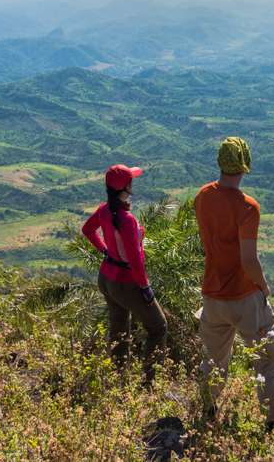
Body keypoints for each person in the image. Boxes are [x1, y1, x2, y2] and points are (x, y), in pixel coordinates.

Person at [194, 137, 274, 433]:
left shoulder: (202, 197)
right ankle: (272, 419)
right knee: (269, 357)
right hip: (245, 296)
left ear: (220, 162)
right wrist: (264, 287)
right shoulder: (248, 207)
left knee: (214, 358)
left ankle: (208, 409)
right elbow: (248, 260)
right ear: (246, 163)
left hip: (212, 294)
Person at [82, 164, 167, 384]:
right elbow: (135, 259)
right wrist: (145, 288)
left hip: (107, 278)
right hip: (126, 282)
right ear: (125, 187)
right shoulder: (126, 220)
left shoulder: (104, 210)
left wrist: (105, 251)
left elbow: (87, 230)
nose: (133, 183)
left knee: (119, 327)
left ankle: (118, 379)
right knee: (158, 327)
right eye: (131, 180)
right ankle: (148, 383)